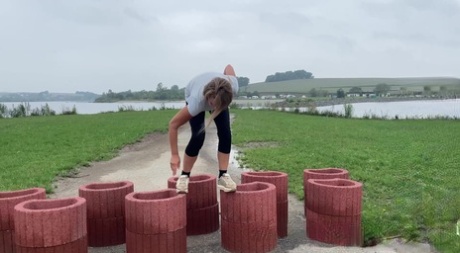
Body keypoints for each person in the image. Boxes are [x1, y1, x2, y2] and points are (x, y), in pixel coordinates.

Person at [169, 64, 239, 193]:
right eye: (213, 105)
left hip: (220, 92)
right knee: (198, 137)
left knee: (225, 133)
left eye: (220, 106)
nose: (215, 109)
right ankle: (185, 175)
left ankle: (223, 175)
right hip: (194, 90)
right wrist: (174, 155)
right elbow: (173, 125)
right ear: (209, 98)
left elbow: (229, 67)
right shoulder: (197, 101)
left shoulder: (232, 86)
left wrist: (224, 76)